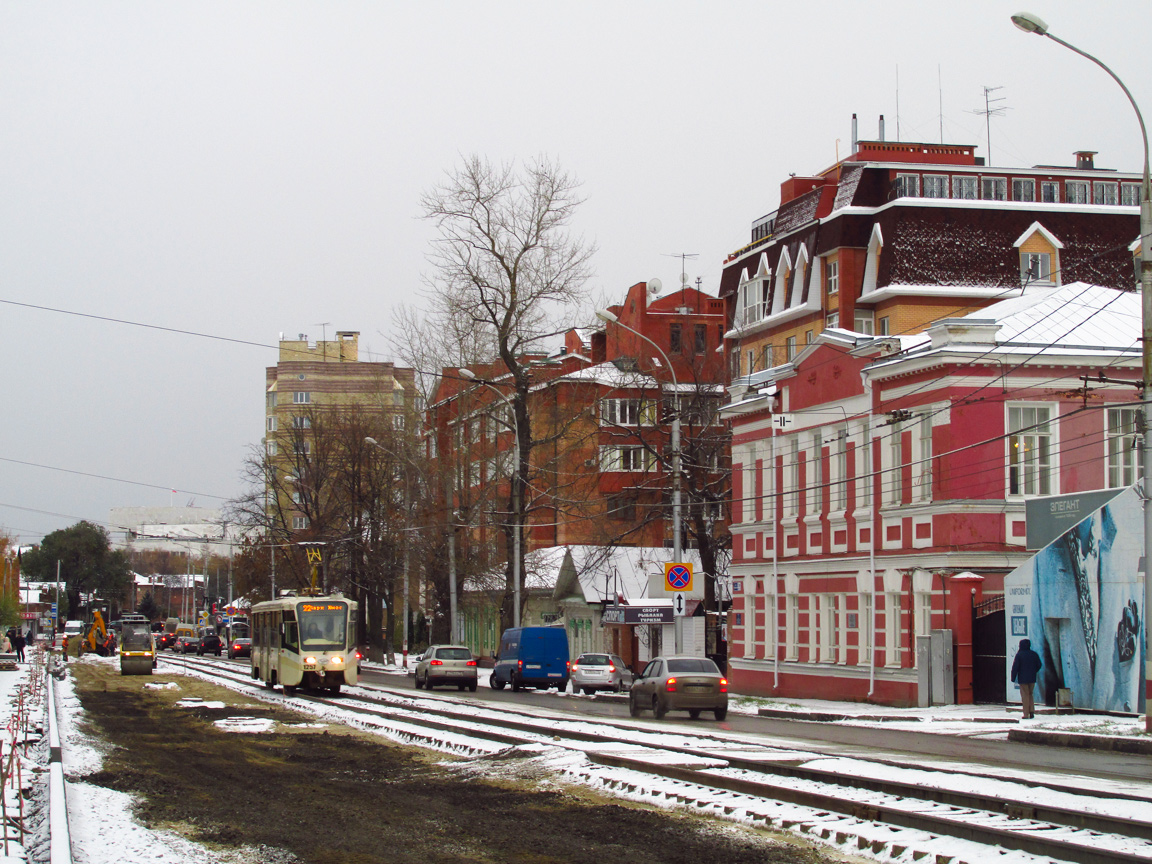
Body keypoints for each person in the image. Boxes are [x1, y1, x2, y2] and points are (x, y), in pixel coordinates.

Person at [1011, 638, 1043, 719]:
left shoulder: (1019, 655)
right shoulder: (1034, 654)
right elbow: (1039, 665)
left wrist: (1013, 677)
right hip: (1032, 678)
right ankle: (1032, 711)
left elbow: (1015, 667)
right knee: (1030, 694)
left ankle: (1026, 714)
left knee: (1025, 696)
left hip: (1023, 678)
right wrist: (1034, 671)